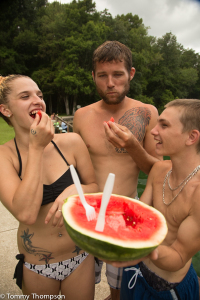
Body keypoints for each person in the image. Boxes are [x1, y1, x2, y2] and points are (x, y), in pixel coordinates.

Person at [73, 40, 162, 300]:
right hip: (86, 213)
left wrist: (133, 146)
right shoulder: (82, 116)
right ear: (93, 77)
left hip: (126, 216)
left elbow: (158, 171)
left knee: (119, 292)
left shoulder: (147, 113)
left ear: (130, 74)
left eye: (118, 75)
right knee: (80, 290)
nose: (110, 83)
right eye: (102, 76)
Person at [0, 75, 98, 299]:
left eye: (39, 95)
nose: (37, 100)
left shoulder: (72, 142)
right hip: (38, 266)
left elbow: (95, 186)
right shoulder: (4, 157)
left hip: (81, 256)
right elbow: (26, 213)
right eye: (25, 96)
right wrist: (36, 148)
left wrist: (76, 190)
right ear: (6, 110)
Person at [109, 99, 200, 299]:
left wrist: (138, 249)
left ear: (191, 137)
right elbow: (138, 217)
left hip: (168, 288)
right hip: (135, 271)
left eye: (164, 125)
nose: (152, 131)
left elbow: (178, 256)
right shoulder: (159, 170)